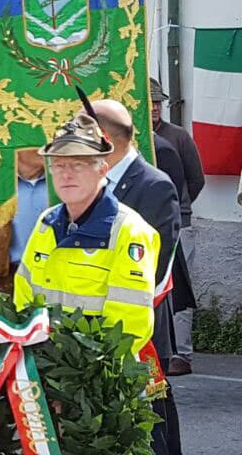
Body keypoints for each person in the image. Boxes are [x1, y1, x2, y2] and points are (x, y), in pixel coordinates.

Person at [13, 112, 159, 351]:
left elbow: (129, 325)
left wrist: (84, 375)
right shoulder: (46, 223)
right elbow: (23, 298)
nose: (66, 174)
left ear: (103, 169)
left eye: (78, 165)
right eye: (58, 165)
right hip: (44, 373)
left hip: (98, 379)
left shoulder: (129, 231)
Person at [90, 99, 182, 455]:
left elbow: (155, 269)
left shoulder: (154, 185)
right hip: (97, 326)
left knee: (147, 424)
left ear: (104, 140)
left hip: (139, 330)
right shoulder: (93, 185)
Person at [149, 79, 205, 377]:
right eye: (150, 102)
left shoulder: (178, 137)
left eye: (158, 102)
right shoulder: (133, 138)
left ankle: (181, 354)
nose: (155, 107)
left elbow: (195, 179)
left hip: (178, 223)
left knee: (179, 286)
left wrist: (179, 207)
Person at [6, 149, 50, 286]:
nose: (42, 147)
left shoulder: (60, 184)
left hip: (53, 273)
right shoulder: (0, 187)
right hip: (12, 275)